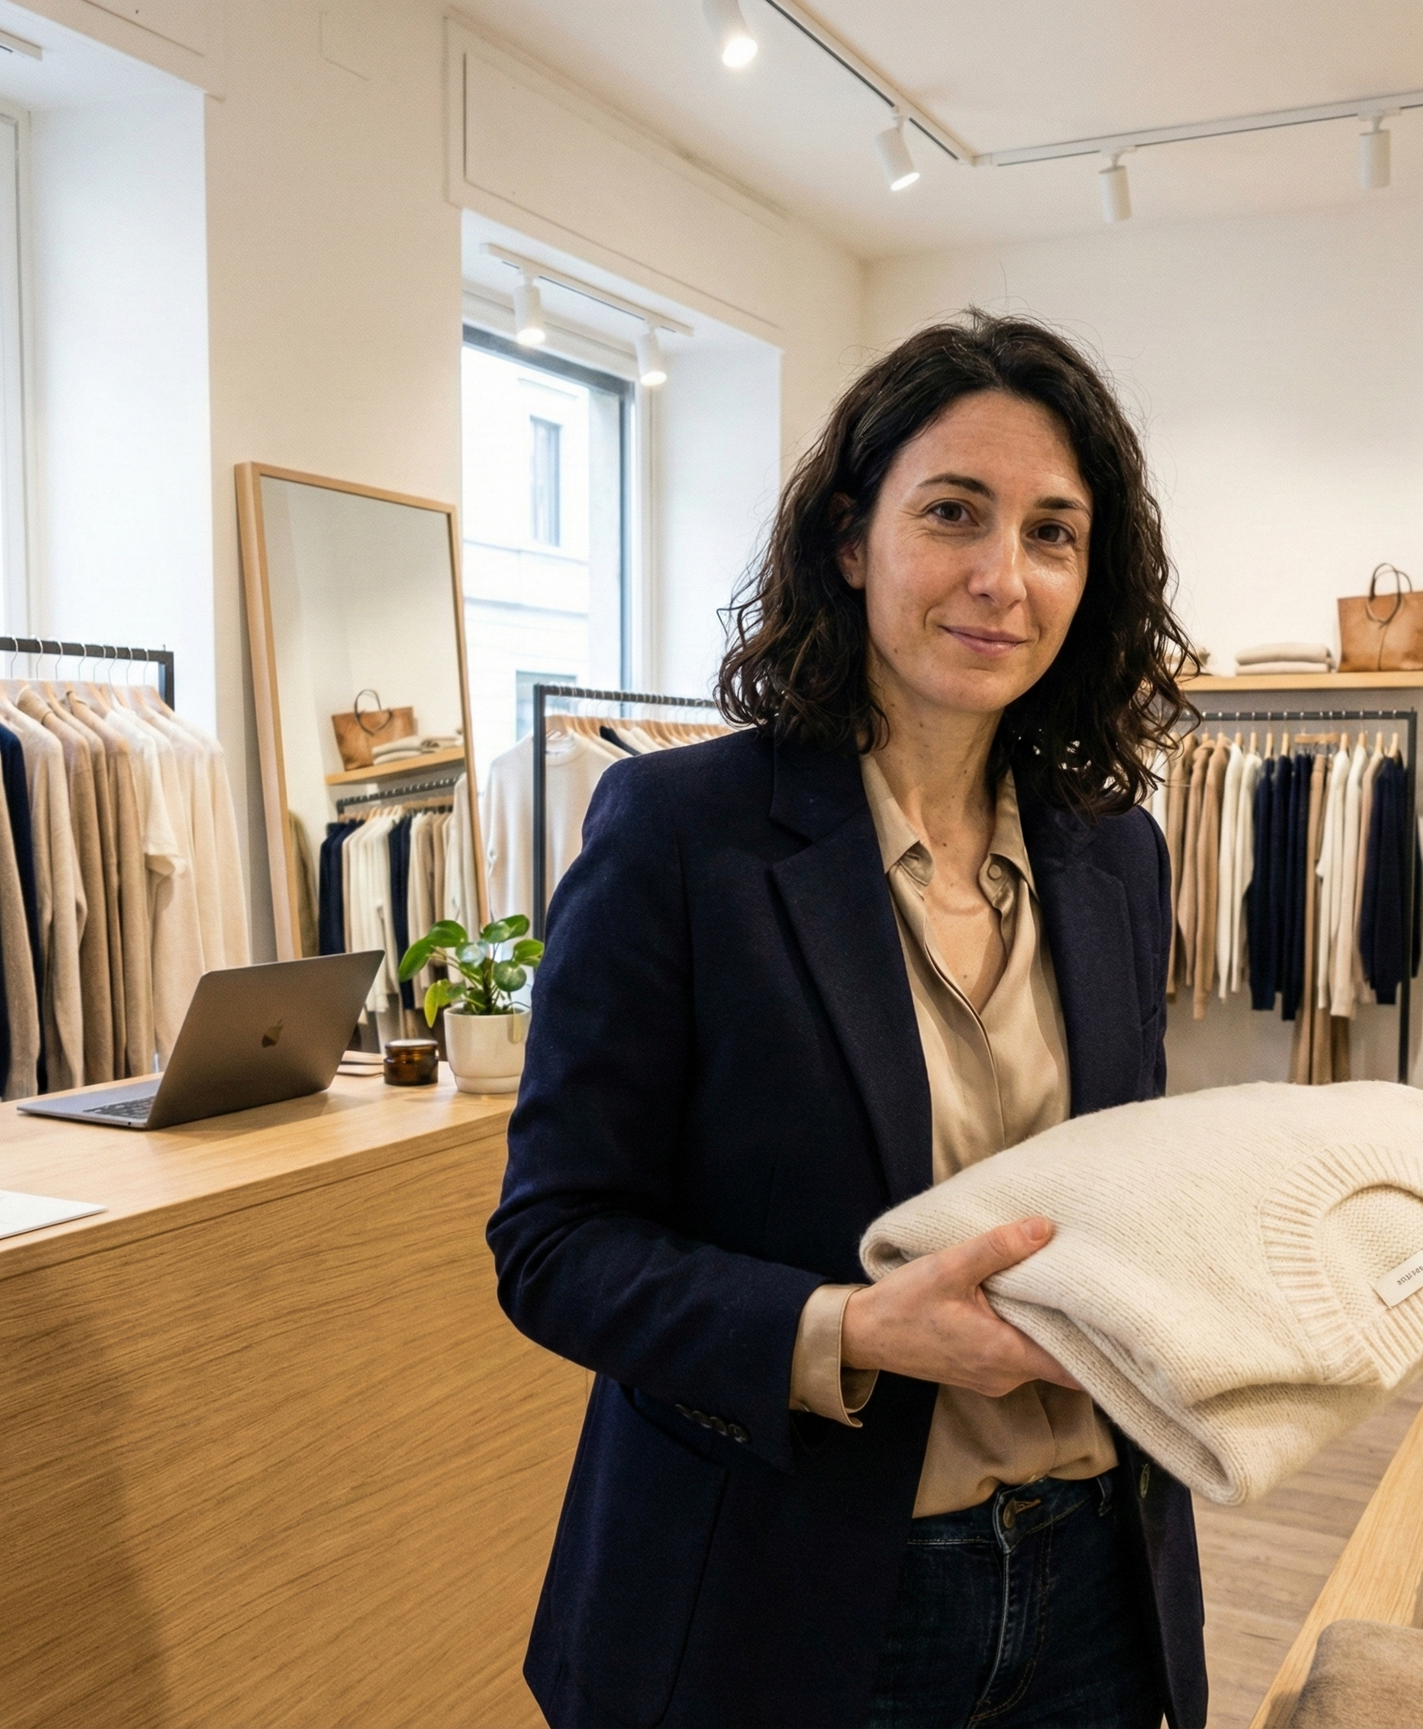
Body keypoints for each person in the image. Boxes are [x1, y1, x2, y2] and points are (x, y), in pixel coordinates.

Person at [488, 311, 1204, 1729]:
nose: (1003, 577)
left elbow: (1128, 1191)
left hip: (1094, 1582)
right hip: (792, 1597)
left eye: (1053, 534)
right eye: (954, 513)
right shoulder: (681, 834)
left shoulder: (1114, 853)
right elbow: (555, 1242)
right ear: (848, 539)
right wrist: (852, 1328)